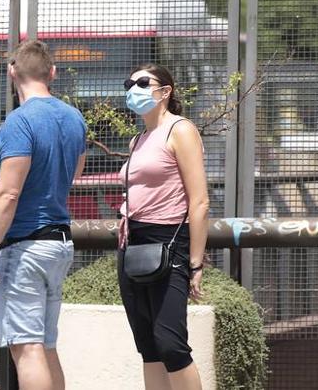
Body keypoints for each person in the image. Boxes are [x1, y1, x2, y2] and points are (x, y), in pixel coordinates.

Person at [0, 40, 87, 390]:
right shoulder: (73, 118)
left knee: (26, 348)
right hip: (59, 244)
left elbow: (8, 193)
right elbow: (76, 173)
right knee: (46, 345)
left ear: (12, 72)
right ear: (52, 72)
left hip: (24, 246)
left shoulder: (18, 122)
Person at [117, 63, 210, 390]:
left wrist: (195, 263)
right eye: (130, 83)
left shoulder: (180, 130)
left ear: (165, 91)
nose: (134, 88)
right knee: (148, 345)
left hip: (170, 242)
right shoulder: (138, 140)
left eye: (143, 82)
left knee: (170, 343)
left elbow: (199, 201)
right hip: (132, 242)